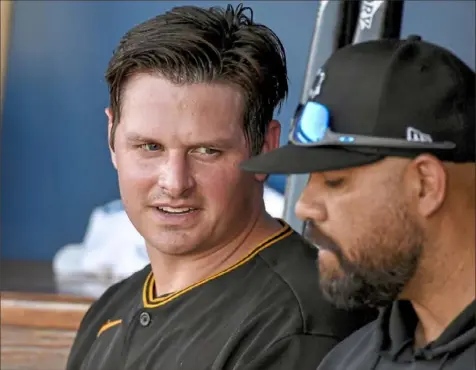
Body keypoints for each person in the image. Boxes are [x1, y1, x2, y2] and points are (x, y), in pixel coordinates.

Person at [66, 4, 377, 370]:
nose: (174, 181)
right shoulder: (109, 311)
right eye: (150, 147)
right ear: (111, 137)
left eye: (206, 151)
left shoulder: (301, 326)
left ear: (265, 147)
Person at [241, 34, 475, 369]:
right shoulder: (347, 360)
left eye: (335, 181)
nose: (304, 207)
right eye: (309, 179)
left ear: (425, 185)